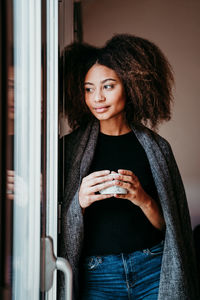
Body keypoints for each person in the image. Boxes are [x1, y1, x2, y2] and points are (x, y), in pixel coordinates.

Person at [58, 34, 200, 300]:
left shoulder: (157, 148)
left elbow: (170, 225)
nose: (97, 97)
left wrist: (142, 198)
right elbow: (48, 221)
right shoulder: (68, 150)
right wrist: (79, 201)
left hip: (153, 269)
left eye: (108, 86)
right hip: (98, 276)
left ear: (131, 86)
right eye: (88, 89)